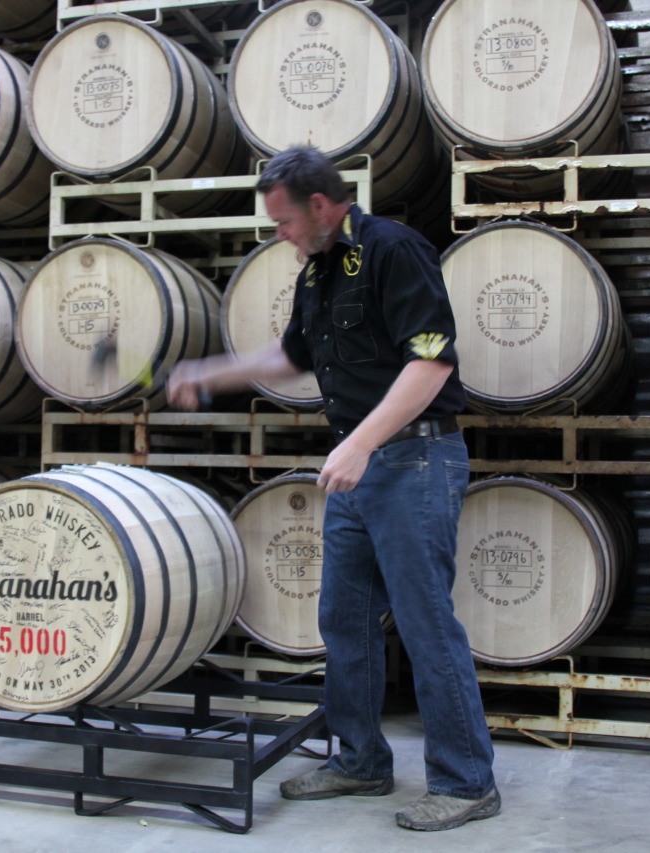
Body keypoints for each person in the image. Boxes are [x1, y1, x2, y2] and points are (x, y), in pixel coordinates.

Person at [168, 145, 499, 832]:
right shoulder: (318, 271)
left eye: (284, 221)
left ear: (319, 205)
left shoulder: (393, 250)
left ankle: (467, 781)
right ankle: (361, 760)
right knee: (344, 617)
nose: (280, 235)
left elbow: (432, 363)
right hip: (361, 465)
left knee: (426, 622)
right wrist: (208, 372)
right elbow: (290, 356)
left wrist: (361, 442)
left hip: (414, 461)